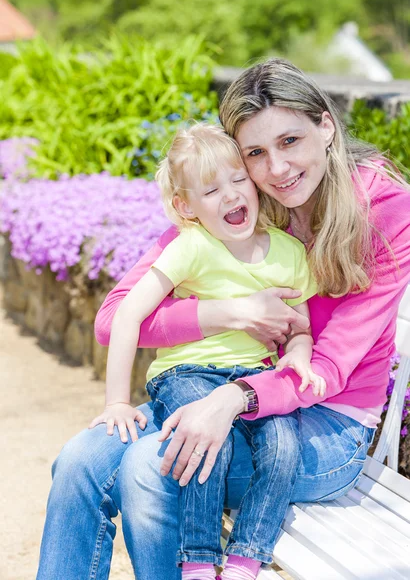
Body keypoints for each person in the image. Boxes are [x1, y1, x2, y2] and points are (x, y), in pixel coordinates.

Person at [36, 58, 410, 580]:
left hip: (322, 426)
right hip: (224, 391)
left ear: (326, 125)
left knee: (151, 467)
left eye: (290, 141)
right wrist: (225, 313)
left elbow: (326, 365)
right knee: (80, 462)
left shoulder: (384, 207)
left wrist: (233, 399)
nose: (276, 169)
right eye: (255, 153)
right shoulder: (237, 200)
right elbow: (114, 318)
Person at [87, 122, 324, 580]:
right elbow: (125, 317)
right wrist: (116, 400)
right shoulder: (191, 246)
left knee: (283, 445)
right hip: (187, 373)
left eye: (239, 180)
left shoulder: (289, 253)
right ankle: (198, 560)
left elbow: (300, 326)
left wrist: (298, 352)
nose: (232, 195)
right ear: (186, 206)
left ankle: (245, 558)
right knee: (202, 438)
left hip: (254, 379)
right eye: (211, 190)